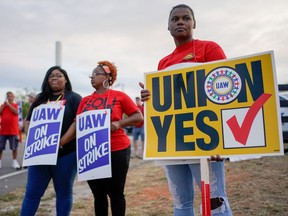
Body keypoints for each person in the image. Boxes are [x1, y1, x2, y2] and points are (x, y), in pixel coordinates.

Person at [139, 4, 232, 216]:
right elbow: (167, 101)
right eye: (175, 19)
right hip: (173, 141)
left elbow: (224, 90)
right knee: (181, 203)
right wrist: (150, 98)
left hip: (205, 139)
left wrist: (222, 140)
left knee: (215, 202)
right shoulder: (163, 62)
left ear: (194, 23)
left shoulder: (209, 48)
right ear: (168, 26)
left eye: (185, 18)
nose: (180, 22)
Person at [77, 60, 143, 216]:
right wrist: (62, 142)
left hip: (117, 149)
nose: (92, 77)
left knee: (115, 193)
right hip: (92, 151)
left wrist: (119, 123)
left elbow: (138, 116)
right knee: (98, 194)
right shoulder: (85, 101)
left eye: (95, 74)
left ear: (108, 77)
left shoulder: (119, 96)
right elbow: (77, 124)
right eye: (91, 75)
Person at [20, 66, 82, 216]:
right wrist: (33, 138)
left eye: (58, 75)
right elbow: (28, 122)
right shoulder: (40, 99)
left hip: (65, 154)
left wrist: (59, 143)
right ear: (47, 80)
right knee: (32, 193)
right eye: (51, 76)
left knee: (63, 193)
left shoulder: (74, 98)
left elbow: (77, 123)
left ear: (65, 79)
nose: (54, 78)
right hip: (40, 154)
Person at [0, 91, 20, 169]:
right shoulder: (3, 105)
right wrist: (3, 107)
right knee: (0, 147)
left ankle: (14, 161)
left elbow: (16, 112)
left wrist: (9, 105)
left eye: (11, 96)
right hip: (3, 131)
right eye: (8, 96)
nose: (10, 98)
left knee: (14, 147)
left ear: (13, 97)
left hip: (13, 130)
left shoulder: (16, 105)